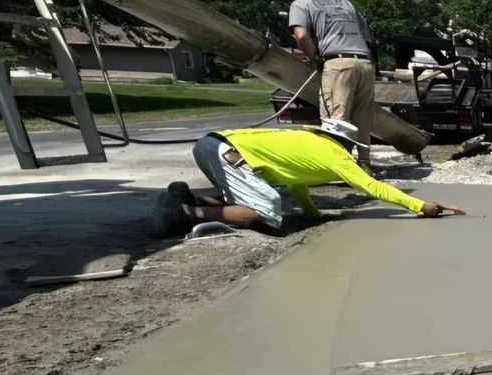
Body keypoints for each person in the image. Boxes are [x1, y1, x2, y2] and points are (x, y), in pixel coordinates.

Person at [154, 118, 461, 236]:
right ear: (347, 144)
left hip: (209, 143)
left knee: (247, 194)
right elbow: (373, 187)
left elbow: (297, 182)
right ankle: (185, 213)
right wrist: (420, 205)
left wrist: (312, 213)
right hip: (228, 153)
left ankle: (187, 198)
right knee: (267, 211)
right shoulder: (337, 156)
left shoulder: (312, 143)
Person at [290, 0, 377, 153]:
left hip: (337, 63)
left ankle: (339, 162)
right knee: (362, 118)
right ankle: (364, 162)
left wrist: (314, 59)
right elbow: (365, 34)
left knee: (336, 120)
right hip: (365, 63)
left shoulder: (301, 4)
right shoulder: (346, 3)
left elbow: (301, 36)